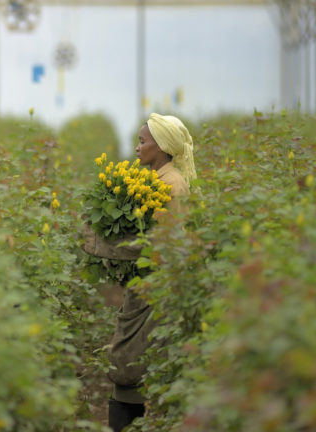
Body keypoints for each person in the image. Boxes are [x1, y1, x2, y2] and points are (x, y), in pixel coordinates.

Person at [81, 113, 196, 432]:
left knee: (129, 364)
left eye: (143, 141)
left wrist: (104, 244)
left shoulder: (171, 184)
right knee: (128, 362)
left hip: (155, 290)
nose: (136, 147)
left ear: (161, 146)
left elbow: (160, 243)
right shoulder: (158, 179)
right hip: (146, 286)